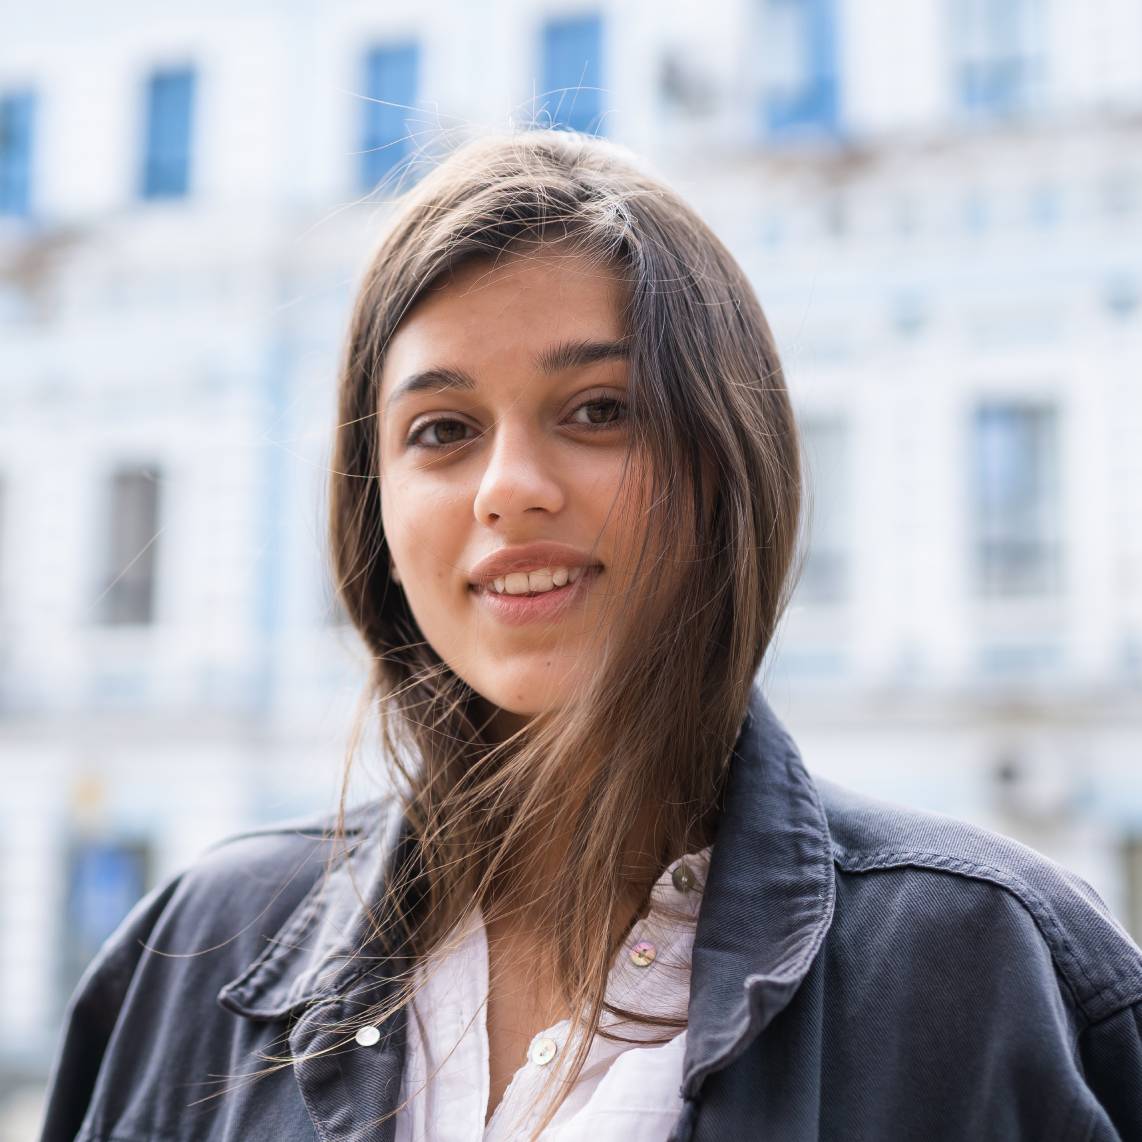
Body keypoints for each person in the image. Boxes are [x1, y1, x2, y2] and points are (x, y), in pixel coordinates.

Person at [38, 130, 1142, 1142]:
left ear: (727, 460)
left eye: (598, 409)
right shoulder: (190, 957)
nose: (508, 488)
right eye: (442, 430)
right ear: (372, 507)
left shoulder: (991, 969)